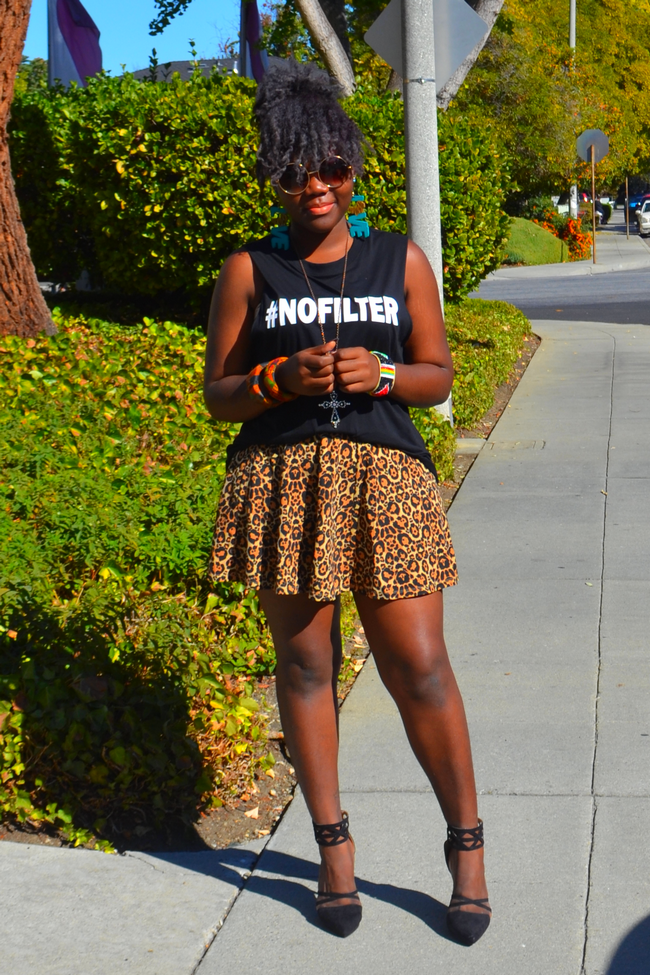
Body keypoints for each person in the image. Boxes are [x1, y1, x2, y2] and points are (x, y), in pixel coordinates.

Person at [203, 58, 490, 944]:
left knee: (420, 665)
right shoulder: (249, 269)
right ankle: (334, 851)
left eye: (331, 166)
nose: (317, 185)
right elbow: (218, 394)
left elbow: (438, 375)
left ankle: (467, 848)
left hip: (387, 482)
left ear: (353, 168)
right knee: (304, 669)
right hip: (284, 481)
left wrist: (388, 373)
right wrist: (277, 378)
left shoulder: (398, 258)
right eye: (296, 170)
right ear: (275, 176)